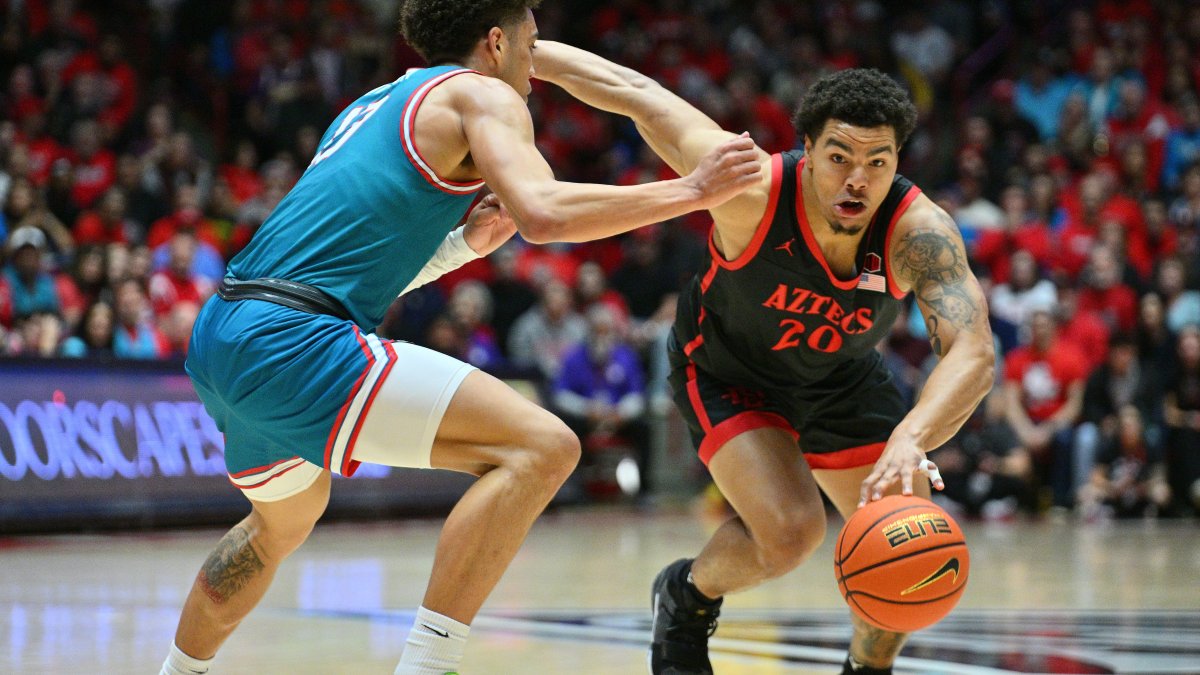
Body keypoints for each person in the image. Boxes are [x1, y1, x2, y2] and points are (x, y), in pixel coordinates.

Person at [157, 2, 762, 675]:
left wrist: (462, 247)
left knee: (277, 527)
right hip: (293, 338)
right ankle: (427, 666)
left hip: (225, 329)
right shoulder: (484, 94)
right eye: (532, 43)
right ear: (496, 41)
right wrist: (694, 189)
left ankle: (176, 670)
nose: (536, 62)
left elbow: (341, 259)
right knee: (542, 447)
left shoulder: (378, 100)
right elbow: (543, 213)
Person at [534, 45, 995, 675]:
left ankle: (868, 667)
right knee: (790, 533)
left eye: (877, 162)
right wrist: (512, 49)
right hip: (730, 369)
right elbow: (634, 90)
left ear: (897, 163)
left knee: (904, 539)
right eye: (839, 158)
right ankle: (688, 596)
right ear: (807, 151)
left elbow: (974, 351)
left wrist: (912, 437)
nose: (857, 179)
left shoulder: (920, 234)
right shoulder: (749, 185)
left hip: (842, 375)